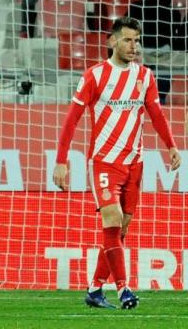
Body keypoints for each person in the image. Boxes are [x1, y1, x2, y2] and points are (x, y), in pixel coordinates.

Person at [53, 16, 181, 310]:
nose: (133, 46)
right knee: (111, 220)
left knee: (120, 231)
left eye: (137, 40)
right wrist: (61, 161)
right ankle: (124, 290)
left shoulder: (145, 76)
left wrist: (171, 145)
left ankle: (96, 288)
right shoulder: (95, 76)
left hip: (135, 164)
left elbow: (156, 114)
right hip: (104, 163)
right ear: (112, 41)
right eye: (127, 39)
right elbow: (71, 120)